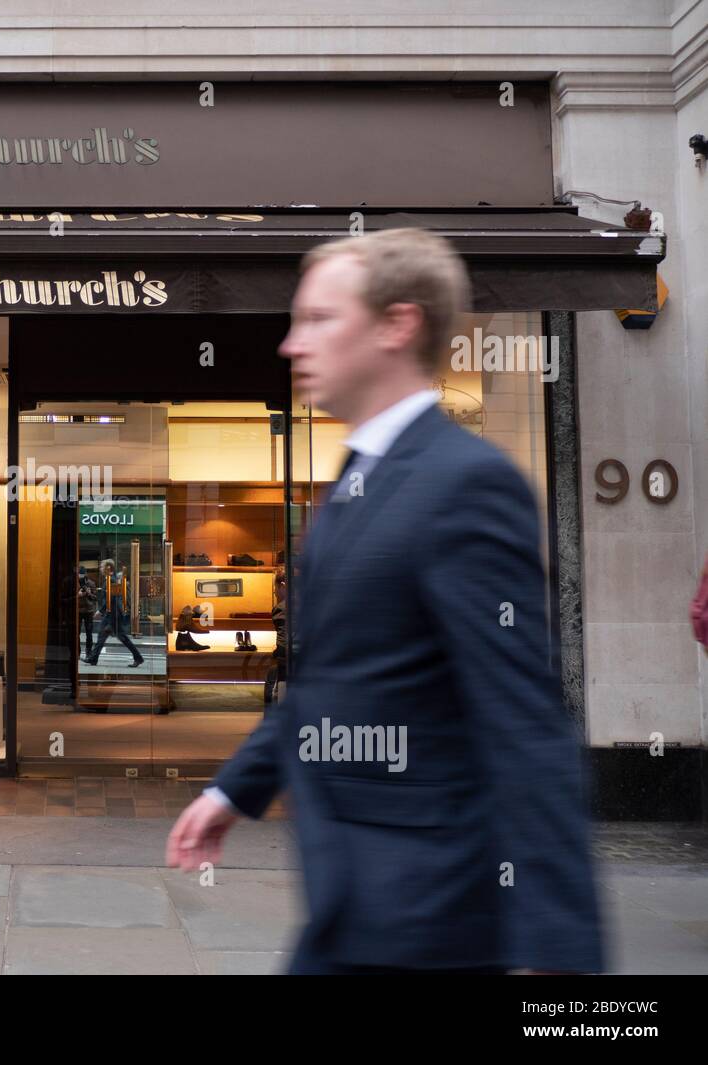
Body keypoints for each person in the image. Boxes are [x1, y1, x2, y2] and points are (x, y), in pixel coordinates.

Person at [166, 227, 602, 975]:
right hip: (349, 899)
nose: (290, 344)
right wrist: (234, 789)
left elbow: (525, 725)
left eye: (319, 319)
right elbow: (334, 678)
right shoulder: (359, 478)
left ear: (397, 325)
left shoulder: (466, 483)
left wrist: (565, 957)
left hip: (430, 913)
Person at [85, 558, 145, 668]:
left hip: (112, 615)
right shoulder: (109, 579)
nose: (100, 569)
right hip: (111, 614)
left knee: (119, 638)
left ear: (109, 568)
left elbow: (111, 598)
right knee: (103, 637)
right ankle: (93, 658)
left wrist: (100, 610)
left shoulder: (111, 580)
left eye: (102, 567)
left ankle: (138, 657)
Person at [76, 565, 98, 660]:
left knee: (89, 633)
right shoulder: (75, 583)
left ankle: (88, 653)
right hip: (78, 611)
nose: (80, 576)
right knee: (77, 633)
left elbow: (95, 598)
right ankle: (78, 653)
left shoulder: (91, 583)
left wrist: (88, 593)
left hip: (89, 611)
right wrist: (78, 595)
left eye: (82, 574)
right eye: (79, 574)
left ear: (85, 574)